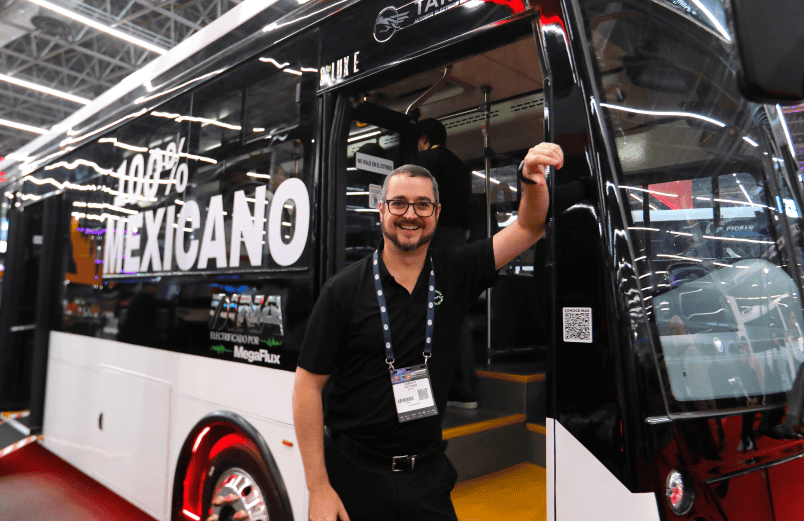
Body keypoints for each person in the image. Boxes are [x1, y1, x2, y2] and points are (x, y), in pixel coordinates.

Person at [248, 142, 585, 521]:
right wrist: (318, 487)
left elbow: (528, 226)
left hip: (427, 476)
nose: (411, 215)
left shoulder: (457, 269)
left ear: (437, 213)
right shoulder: (342, 291)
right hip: (353, 476)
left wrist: (530, 180)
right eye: (399, 203)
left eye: (422, 205)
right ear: (382, 209)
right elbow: (307, 388)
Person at [413, 118, 477, 409]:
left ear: (423, 138)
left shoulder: (424, 160)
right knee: (454, 310)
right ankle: (465, 390)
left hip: (434, 240)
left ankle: (420, 397)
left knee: (417, 308)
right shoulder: (460, 166)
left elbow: (420, 206)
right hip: (459, 242)